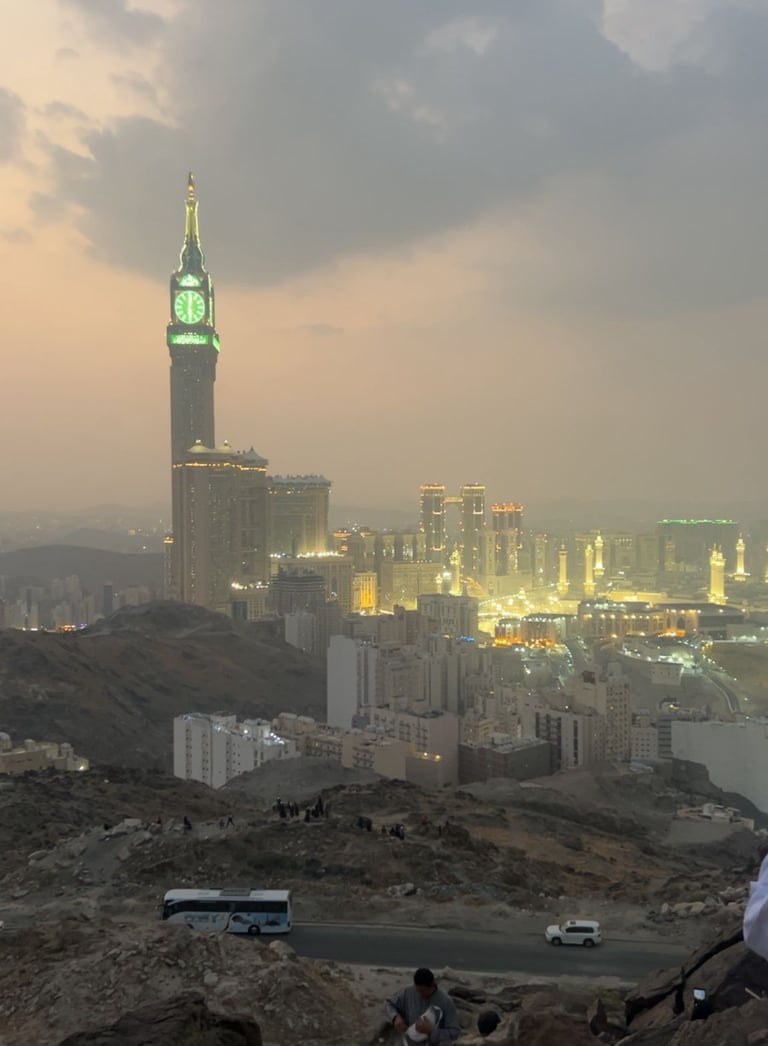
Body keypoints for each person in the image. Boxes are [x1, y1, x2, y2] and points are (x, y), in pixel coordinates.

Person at [385, 967, 460, 1044]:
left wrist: (431, 1031)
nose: (420, 994)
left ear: (433, 985)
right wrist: (395, 1017)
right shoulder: (408, 992)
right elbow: (390, 1004)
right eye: (417, 990)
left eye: (424, 991)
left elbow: (454, 1033)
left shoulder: (446, 1001)